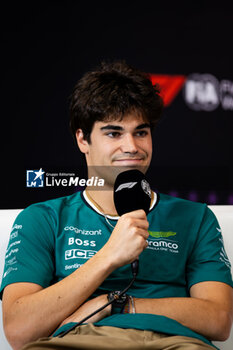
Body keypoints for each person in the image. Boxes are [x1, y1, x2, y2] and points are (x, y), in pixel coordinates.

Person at [1, 61, 233, 350]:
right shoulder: (43, 218)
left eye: (141, 132)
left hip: (174, 343)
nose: (132, 146)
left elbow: (219, 320)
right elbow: (19, 330)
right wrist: (109, 255)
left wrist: (115, 304)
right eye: (114, 133)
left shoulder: (195, 217)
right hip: (79, 343)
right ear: (82, 139)